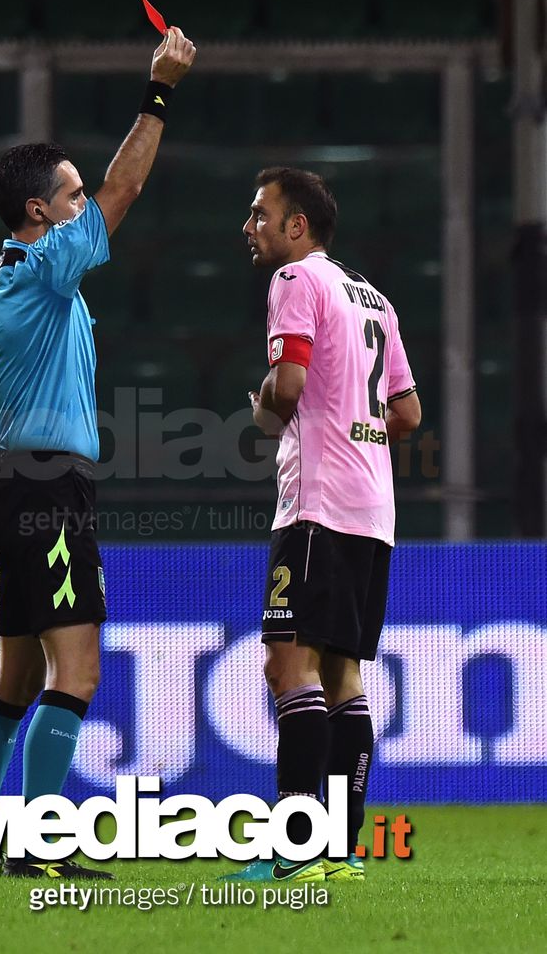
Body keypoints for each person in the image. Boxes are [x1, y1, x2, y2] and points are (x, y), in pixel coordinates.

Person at [0, 27, 196, 879]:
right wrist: (158, 91)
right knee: (76, 672)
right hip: (50, 488)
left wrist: (3, 485)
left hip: (8, 486)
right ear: (41, 213)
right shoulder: (49, 272)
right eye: (71, 195)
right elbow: (125, 189)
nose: (86, 204)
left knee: (13, 674)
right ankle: (38, 850)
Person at [222, 167, 421, 884]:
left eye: (259, 215)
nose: (250, 228)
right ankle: (337, 849)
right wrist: (354, 428)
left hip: (316, 507)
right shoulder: (374, 297)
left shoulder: (294, 284)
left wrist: (265, 412)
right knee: (343, 677)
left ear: (296, 226)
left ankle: (293, 848)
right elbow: (407, 414)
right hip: (374, 512)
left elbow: (292, 387)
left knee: (287, 665)